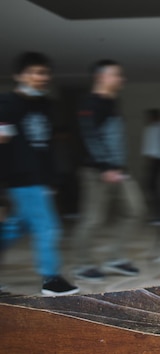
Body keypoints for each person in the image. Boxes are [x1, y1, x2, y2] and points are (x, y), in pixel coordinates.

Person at [0, 52, 79, 295]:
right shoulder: (6, 104)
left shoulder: (45, 105)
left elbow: (45, 145)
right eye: (35, 72)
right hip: (21, 179)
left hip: (40, 179)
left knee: (15, 227)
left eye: (44, 73)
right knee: (47, 227)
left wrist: (51, 178)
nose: (40, 77)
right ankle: (51, 280)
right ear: (19, 75)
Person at [72, 59, 145, 281]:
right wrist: (105, 166)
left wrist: (118, 167)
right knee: (93, 218)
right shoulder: (89, 104)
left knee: (135, 209)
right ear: (101, 77)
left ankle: (115, 257)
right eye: (116, 75)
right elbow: (90, 137)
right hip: (96, 171)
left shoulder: (112, 102)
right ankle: (83, 264)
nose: (120, 79)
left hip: (119, 169)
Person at [142, 108, 160, 225]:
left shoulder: (154, 129)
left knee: (153, 188)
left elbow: (153, 148)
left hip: (156, 161)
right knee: (154, 187)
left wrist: (149, 161)